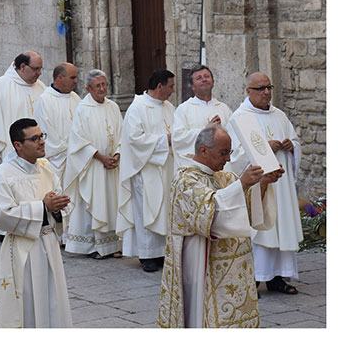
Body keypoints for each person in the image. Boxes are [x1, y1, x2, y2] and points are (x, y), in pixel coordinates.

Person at [157, 125, 281, 327]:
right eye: (223, 153)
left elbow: (246, 210)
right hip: (200, 262)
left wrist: (263, 182)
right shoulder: (185, 180)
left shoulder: (224, 177)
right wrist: (242, 184)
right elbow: (207, 213)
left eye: (229, 152)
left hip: (231, 268)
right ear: (204, 151)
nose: (228, 159)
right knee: (202, 316)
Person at [0, 118, 72, 328]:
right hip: (23, 249)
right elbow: (2, 214)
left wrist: (60, 206)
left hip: (49, 243)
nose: (42, 142)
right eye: (35, 138)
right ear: (18, 145)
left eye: (42, 136)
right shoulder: (2, 174)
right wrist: (42, 207)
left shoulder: (46, 167)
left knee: (53, 299)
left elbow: (58, 200)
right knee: (28, 301)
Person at [227, 72, 303, 295]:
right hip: (258, 186)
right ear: (248, 91)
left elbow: (295, 139)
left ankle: (277, 278)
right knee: (260, 230)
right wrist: (262, 147)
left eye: (268, 87)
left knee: (280, 228)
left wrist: (292, 146)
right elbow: (234, 156)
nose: (266, 92)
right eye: (260, 88)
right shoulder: (240, 118)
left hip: (281, 185)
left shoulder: (279, 115)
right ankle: (253, 278)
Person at [0, 51, 46, 238]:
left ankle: (32, 220)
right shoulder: (1, 85)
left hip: (33, 149)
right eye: (35, 69)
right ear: (21, 67)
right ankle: (0, 228)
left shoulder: (41, 87)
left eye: (40, 69)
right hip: (7, 149)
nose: (39, 74)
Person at [116, 69, 175, 273]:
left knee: (163, 209)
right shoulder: (137, 107)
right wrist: (163, 140)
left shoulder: (169, 107)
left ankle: (161, 251)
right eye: (171, 86)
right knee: (146, 210)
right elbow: (134, 139)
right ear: (160, 86)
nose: (172, 91)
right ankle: (147, 254)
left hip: (165, 167)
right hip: (145, 168)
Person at [64, 69, 123, 259]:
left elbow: (123, 133)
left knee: (111, 202)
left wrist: (118, 154)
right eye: (97, 86)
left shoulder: (113, 106)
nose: (102, 88)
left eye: (104, 84)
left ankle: (113, 245)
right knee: (95, 202)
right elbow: (78, 141)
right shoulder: (83, 109)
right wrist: (101, 157)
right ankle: (93, 246)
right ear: (88, 89)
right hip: (93, 166)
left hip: (112, 166)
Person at [172, 65, 232, 170]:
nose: (204, 79)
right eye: (199, 78)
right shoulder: (184, 109)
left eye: (206, 76)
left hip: (222, 168)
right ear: (193, 86)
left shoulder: (224, 109)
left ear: (213, 82)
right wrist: (206, 131)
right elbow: (178, 139)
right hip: (195, 169)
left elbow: (234, 136)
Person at [33, 62, 81, 181]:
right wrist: (69, 149)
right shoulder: (45, 100)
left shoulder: (75, 98)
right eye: (72, 77)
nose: (76, 81)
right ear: (60, 78)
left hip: (77, 158)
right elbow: (46, 133)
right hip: (56, 161)